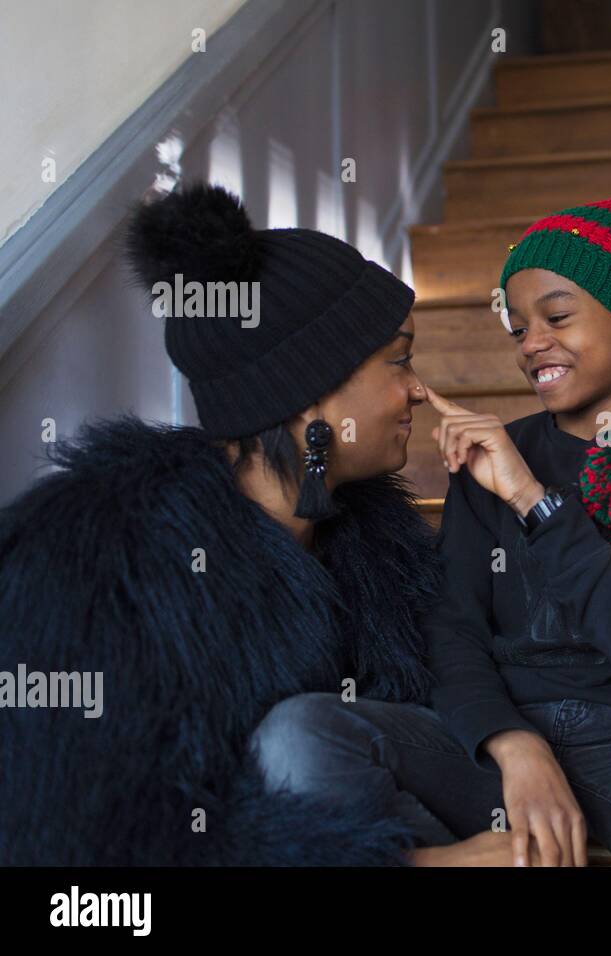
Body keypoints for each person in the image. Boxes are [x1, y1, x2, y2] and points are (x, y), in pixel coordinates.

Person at [252, 189, 611, 866]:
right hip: (496, 742)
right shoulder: (489, 455)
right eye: (518, 329)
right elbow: (452, 632)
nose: (532, 344)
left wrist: (532, 498)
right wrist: (512, 743)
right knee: (301, 732)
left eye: (556, 316)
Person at [0, 183, 519, 866]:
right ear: (307, 392)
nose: (417, 389)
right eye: (398, 359)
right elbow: (108, 841)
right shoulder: (109, 573)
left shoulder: (375, 550)